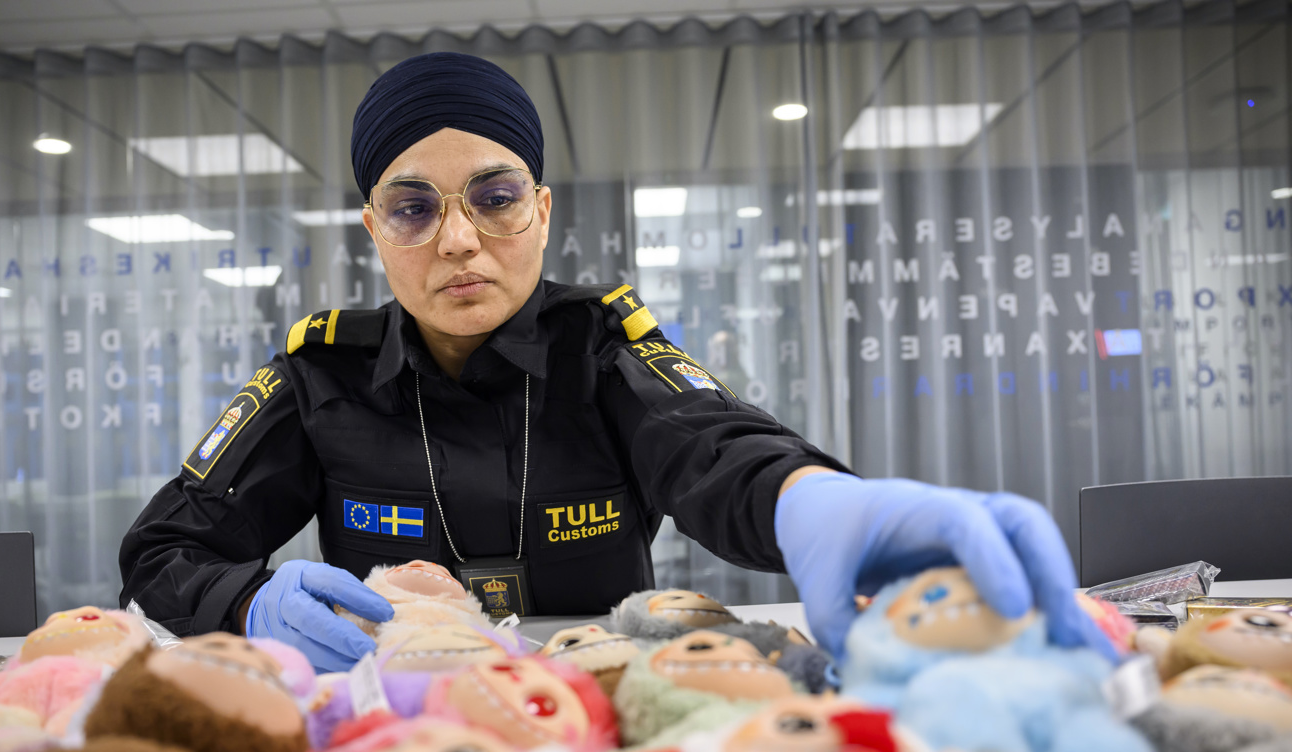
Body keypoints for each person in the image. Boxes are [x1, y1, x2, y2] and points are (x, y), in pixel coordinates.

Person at [118, 52, 1112, 673]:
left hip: (599, 707)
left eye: (495, 196)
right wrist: (248, 601)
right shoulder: (319, 377)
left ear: (542, 212)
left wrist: (811, 498)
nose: (458, 239)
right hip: (393, 717)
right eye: (415, 207)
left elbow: (711, 447)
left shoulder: (601, 347)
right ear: (376, 229)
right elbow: (164, 550)